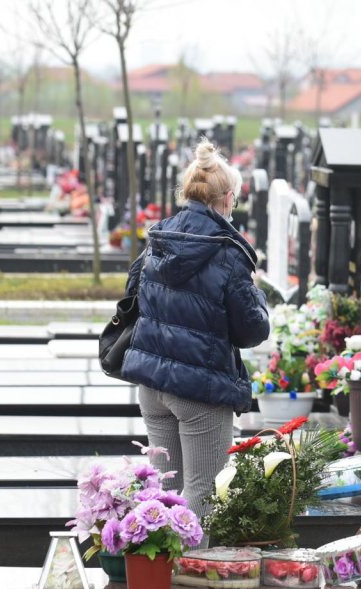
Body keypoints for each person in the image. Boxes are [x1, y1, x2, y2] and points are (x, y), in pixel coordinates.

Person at [121, 138, 270, 517]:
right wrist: (258, 295)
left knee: (163, 494)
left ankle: (156, 558)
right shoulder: (228, 252)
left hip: (152, 384)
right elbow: (251, 331)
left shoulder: (158, 238)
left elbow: (133, 295)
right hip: (199, 388)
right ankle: (193, 558)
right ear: (227, 199)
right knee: (205, 493)